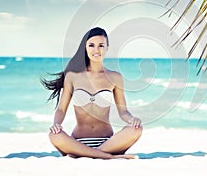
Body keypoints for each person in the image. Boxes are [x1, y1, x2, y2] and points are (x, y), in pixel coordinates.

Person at [41, 27, 142, 159]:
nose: (96, 50)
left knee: (136, 130)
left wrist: (132, 119)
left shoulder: (115, 77)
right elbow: (61, 109)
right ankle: (108, 157)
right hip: (77, 142)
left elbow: (123, 112)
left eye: (101, 45)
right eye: (91, 45)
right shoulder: (72, 76)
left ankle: (88, 154)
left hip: (108, 143)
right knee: (54, 135)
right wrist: (56, 124)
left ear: (107, 48)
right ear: (85, 47)